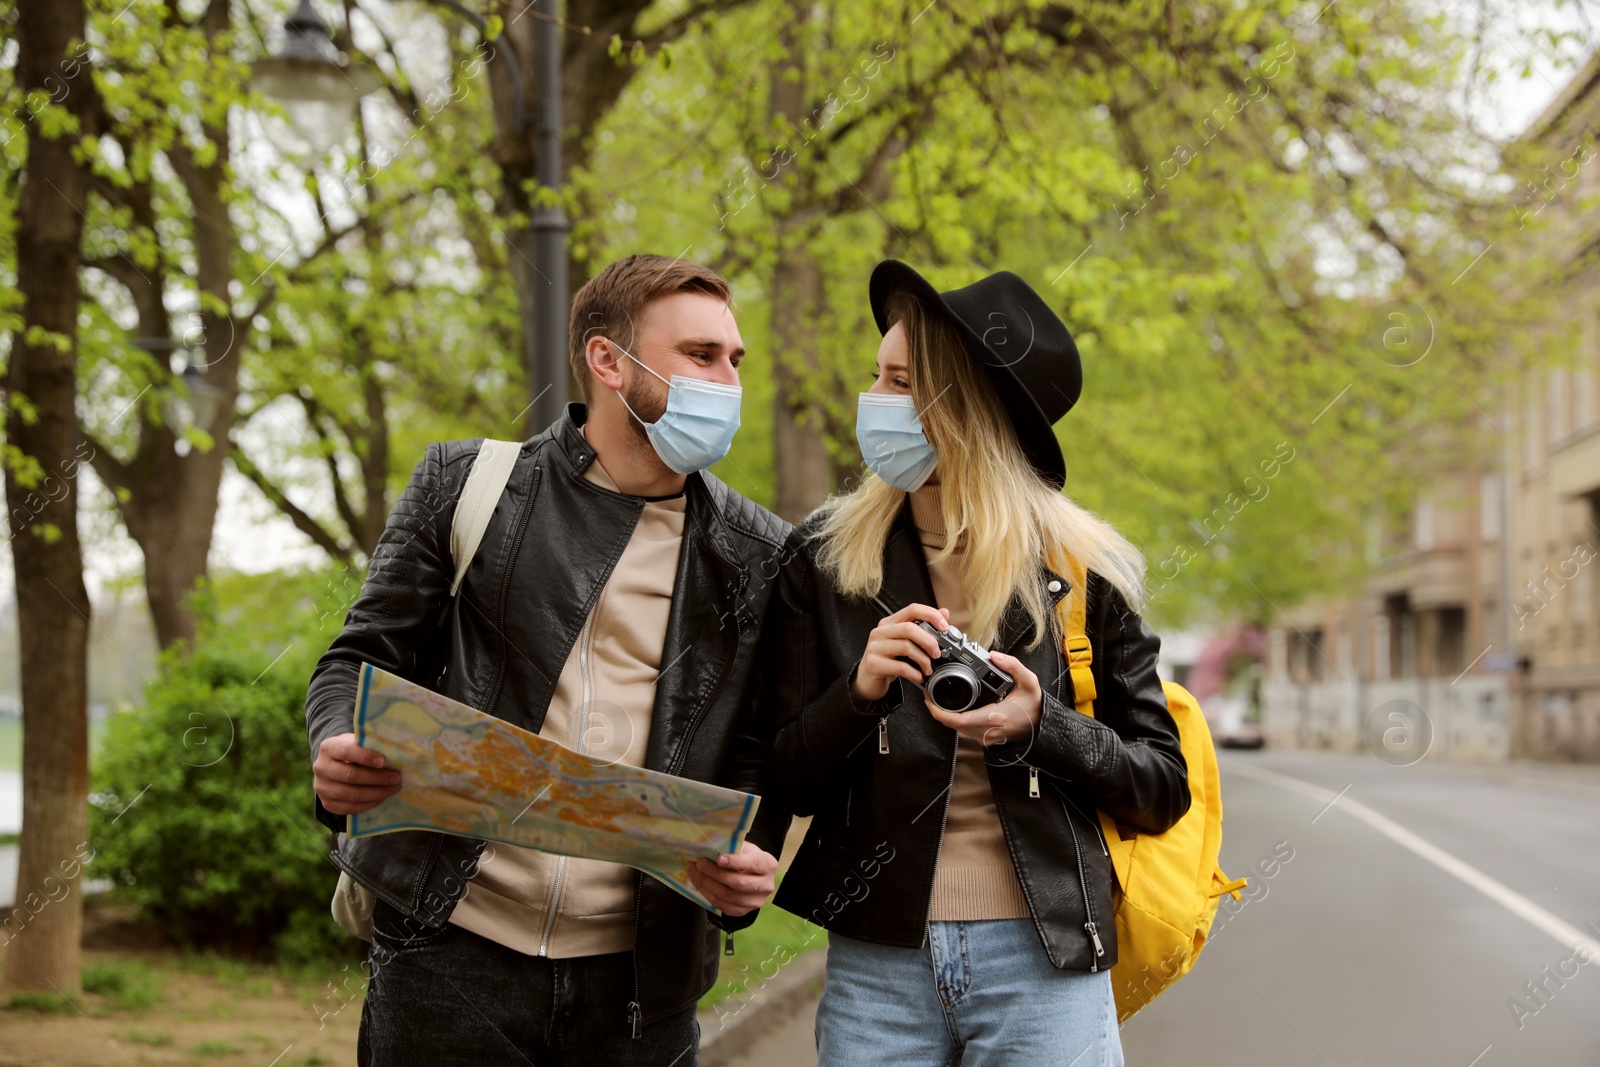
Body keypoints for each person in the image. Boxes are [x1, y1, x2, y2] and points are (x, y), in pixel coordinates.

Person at [304, 254, 791, 1067]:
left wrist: (744, 869)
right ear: (608, 361)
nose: (728, 380)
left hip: (643, 989)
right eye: (701, 356)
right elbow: (356, 659)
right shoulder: (467, 484)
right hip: (446, 954)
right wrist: (331, 747)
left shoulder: (761, 552)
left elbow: (755, 747)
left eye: (734, 360)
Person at [763, 260, 1192, 1066]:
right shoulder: (824, 559)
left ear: (959, 412)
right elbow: (781, 776)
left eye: (900, 382)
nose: (874, 401)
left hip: (1045, 956)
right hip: (877, 957)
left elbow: (1162, 787)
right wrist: (857, 693)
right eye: (877, 375)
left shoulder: (1081, 569)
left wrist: (1042, 725)